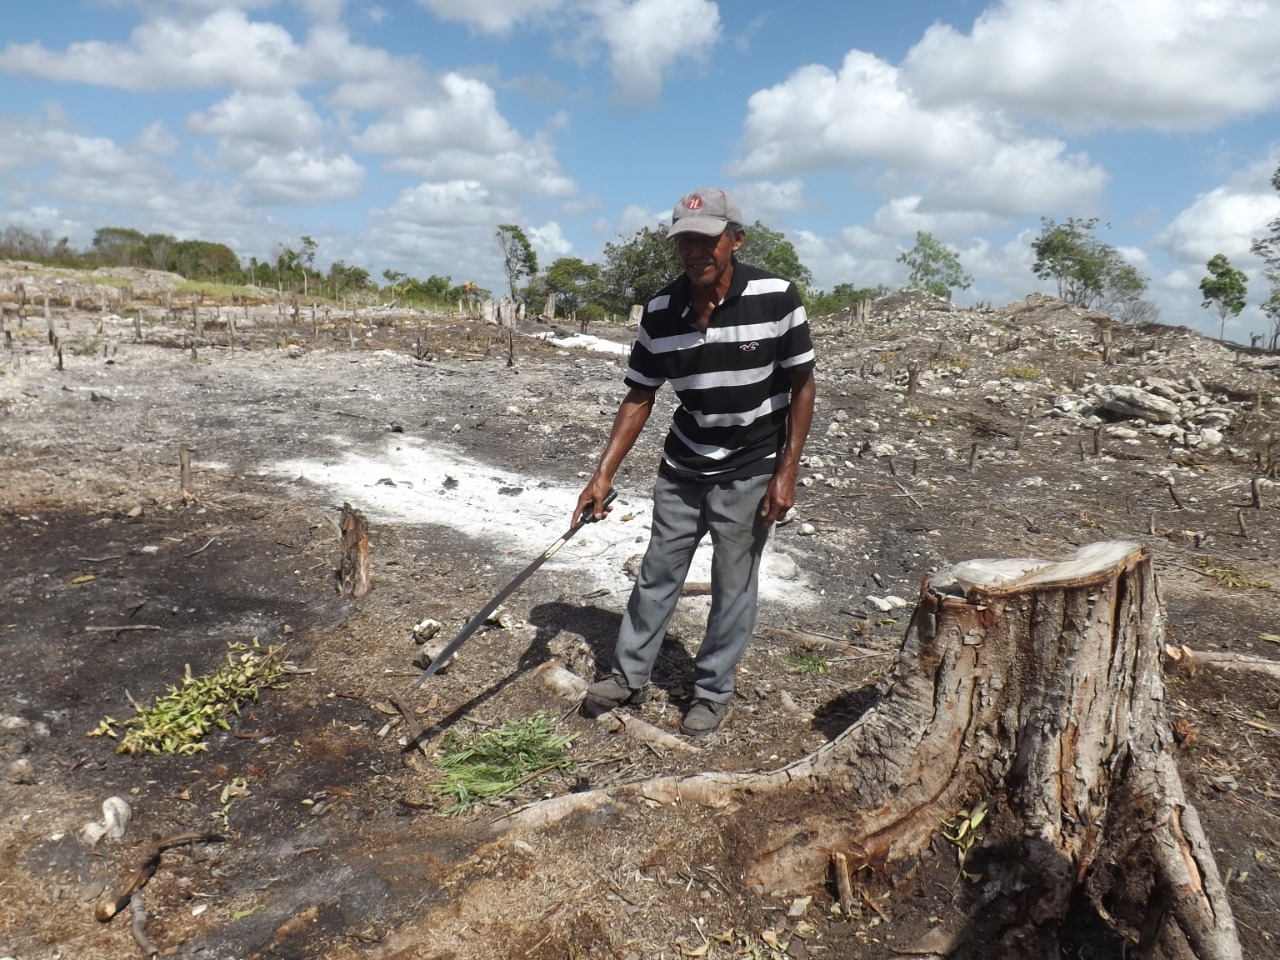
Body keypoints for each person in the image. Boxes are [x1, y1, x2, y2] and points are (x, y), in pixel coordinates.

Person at [574, 187, 816, 736]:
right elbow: (639, 395)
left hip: (752, 466)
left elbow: (803, 385)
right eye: (685, 240)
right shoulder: (661, 312)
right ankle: (628, 675)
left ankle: (711, 691)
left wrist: (787, 471)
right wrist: (602, 474)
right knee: (657, 573)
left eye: (707, 240)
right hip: (684, 466)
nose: (696, 252)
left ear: (736, 238)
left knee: (734, 585)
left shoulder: (777, 297)